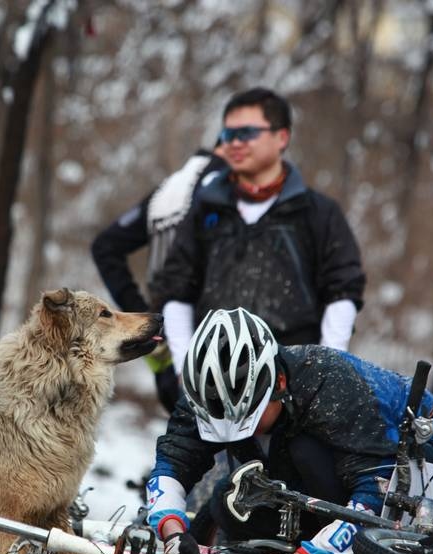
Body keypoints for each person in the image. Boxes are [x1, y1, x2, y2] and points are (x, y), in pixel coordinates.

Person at [146, 308, 433, 554]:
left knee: (304, 450)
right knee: (230, 496)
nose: (241, 434)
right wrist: (173, 534)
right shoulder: (207, 392)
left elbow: (374, 494)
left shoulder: (329, 383)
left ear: (277, 381)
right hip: (342, 468)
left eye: (249, 419)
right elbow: (174, 461)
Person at [150, 87, 366, 375]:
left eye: (248, 133)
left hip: (292, 378)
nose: (235, 143)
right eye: (228, 135)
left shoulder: (318, 212)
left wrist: (326, 369)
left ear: (282, 137)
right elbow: (176, 289)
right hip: (213, 376)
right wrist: (185, 368)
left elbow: (342, 292)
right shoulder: (204, 208)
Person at [91, 146, 228, 412]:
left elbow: (105, 246)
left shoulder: (168, 191)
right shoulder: (221, 188)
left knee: (187, 445)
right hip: (212, 350)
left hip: (164, 351)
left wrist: (144, 316)